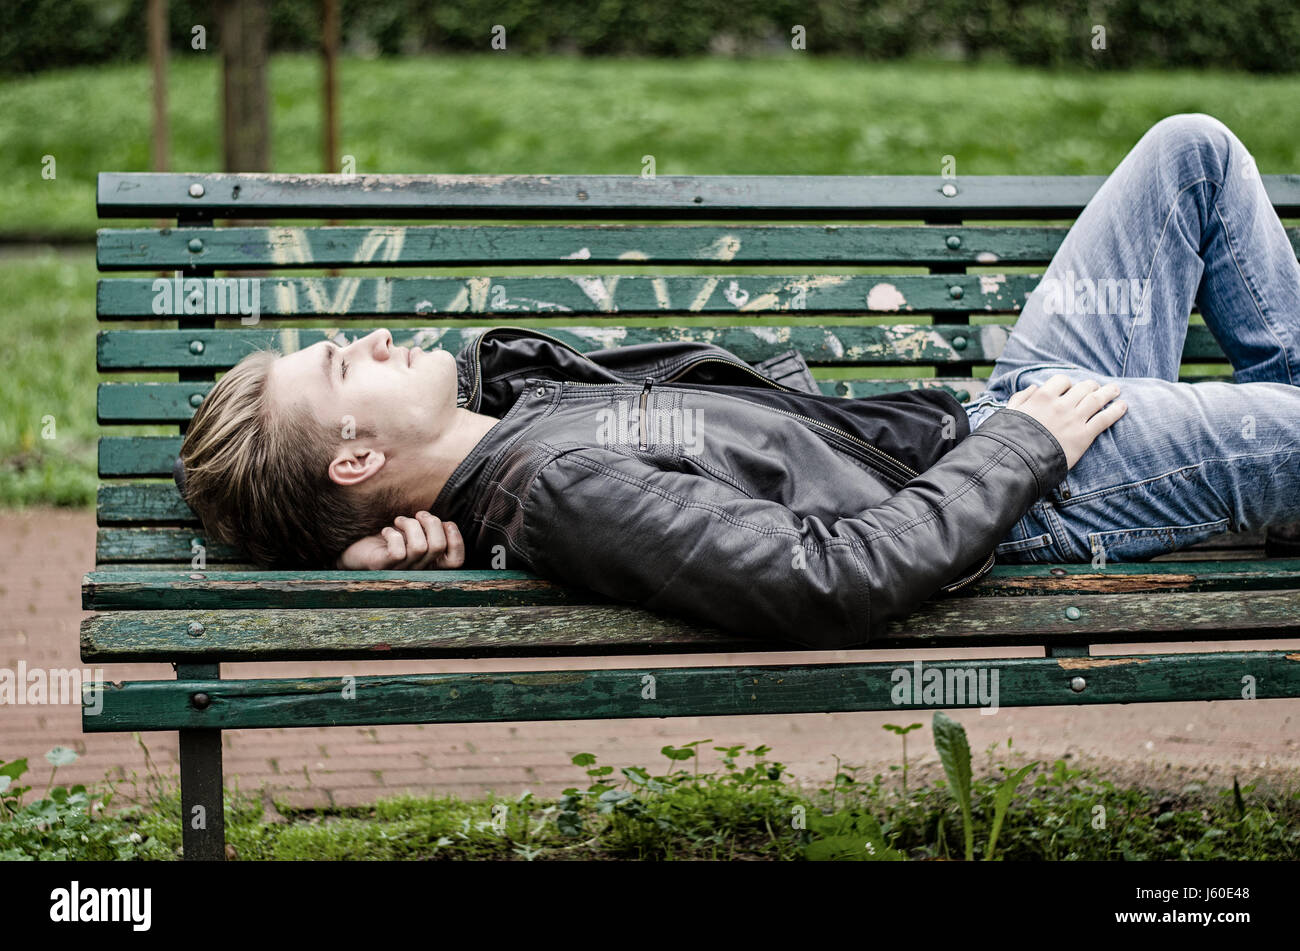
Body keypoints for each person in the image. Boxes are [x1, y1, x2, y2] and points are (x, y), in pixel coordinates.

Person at [176, 113, 1300, 649]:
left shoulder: (515, 424)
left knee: (1190, 153)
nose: (366, 341)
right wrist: (1026, 453)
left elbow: (478, 439)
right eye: (339, 365)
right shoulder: (562, 491)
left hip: (1009, 411)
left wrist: (404, 528)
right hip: (1041, 491)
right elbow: (833, 579)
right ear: (356, 453)